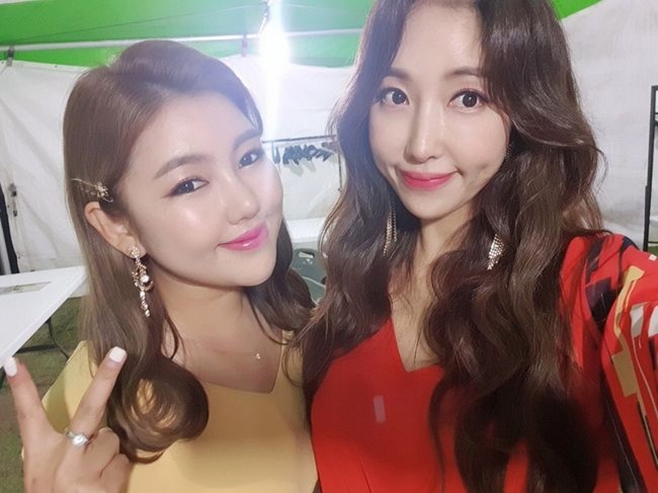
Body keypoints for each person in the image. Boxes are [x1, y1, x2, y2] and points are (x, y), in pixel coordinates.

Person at [296, 0, 658, 492]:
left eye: (468, 98)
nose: (421, 145)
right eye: (394, 95)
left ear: (526, 111)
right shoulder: (352, 287)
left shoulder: (591, 286)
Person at [4, 39, 316, 493]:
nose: (248, 202)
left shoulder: (304, 317)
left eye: (249, 156)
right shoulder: (91, 407)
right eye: (189, 184)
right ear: (118, 227)